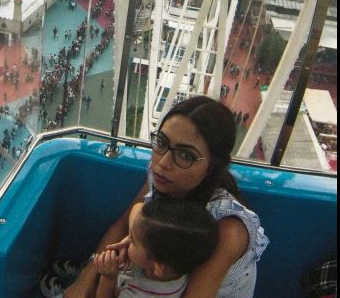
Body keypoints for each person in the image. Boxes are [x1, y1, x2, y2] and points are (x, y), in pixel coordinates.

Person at [56, 96, 268, 297]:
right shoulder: (163, 176)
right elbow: (124, 222)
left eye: (186, 155)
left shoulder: (228, 229)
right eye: (162, 143)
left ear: (212, 166)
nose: (163, 162)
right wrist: (86, 278)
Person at [94, 199, 218, 298]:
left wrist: (108, 278)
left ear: (158, 268)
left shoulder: (138, 295)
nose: (127, 240)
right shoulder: (176, 264)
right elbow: (139, 206)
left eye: (133, 242)